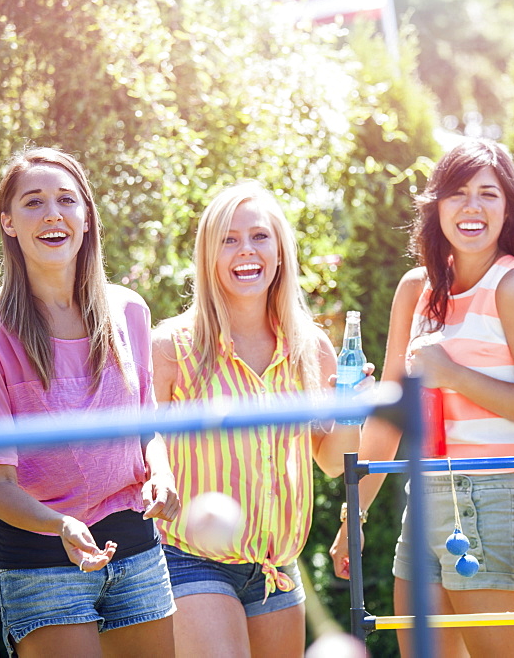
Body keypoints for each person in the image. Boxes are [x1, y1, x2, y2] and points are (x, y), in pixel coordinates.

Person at [330, 139, 514, 657]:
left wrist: (453, 374)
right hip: (423, 498)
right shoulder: (414, 290)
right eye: (458, 193)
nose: (472, 207)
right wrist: (356, 514)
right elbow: (392, 413)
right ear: (436, 205)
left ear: (509, 208)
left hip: (495, 495)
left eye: (488, 194)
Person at [0, 147, 180, 657]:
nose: (53, 214)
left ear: (86, 217)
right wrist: (61, 525)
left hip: (136, 544)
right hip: (41, 557)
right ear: (8, 223)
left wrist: (161, 475)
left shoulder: (129, 312)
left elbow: (148, 430)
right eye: (33, 203)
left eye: (66, 200)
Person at [151, 181, 372, 657]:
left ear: (279, 252)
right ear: (209, 255)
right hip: (192, 559)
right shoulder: (173, 347)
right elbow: (141, 447)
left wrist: (352, 411)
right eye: (228, 240)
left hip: (277, 569)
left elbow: (332, 463)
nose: (245, 251)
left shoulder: (312, 349)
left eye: (259, 237)